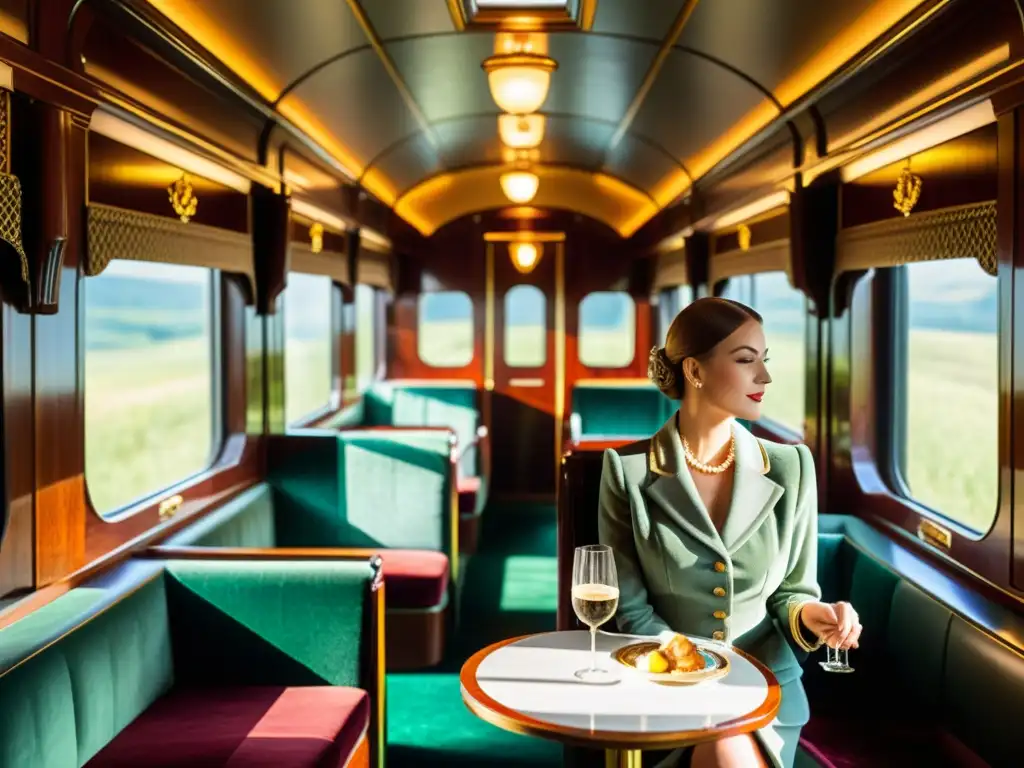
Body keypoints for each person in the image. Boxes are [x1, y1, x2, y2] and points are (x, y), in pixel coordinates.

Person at [597, 297, 862, 768]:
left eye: (765, 360)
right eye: (746, 361)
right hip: (669, 692)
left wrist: (814, 616)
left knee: (727, 745)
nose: (765, 377)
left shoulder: (793, 466)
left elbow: (792, 593)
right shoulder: (628, 473)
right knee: (721, 744)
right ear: (695, 371)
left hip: (765, 694)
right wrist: (694, 673)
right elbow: (631, 611)